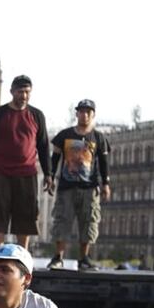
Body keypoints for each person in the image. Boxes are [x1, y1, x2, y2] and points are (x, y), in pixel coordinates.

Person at [0, 74, 52, 250]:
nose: (24, 96)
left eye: (27, 92)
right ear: (12, 91)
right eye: (20, 91)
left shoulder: (37, 116)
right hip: (0, 172)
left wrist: (49, 174)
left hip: (27, 173)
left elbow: (43, 146)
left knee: (26, 214)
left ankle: (23, 253)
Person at [47, 100, 111, 271]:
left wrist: (106, 183)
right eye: (81, 112)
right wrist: (51, 177)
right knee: (62, 220)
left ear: (93, 115)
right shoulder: (64, 136)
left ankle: (84, 258)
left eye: (88, 112)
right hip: (66, 186)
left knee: (89, 221)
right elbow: (55, 159)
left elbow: (104, 163)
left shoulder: (99, 138)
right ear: (76, 114)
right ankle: (58, 257)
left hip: (89, 187)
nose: (85, 115)